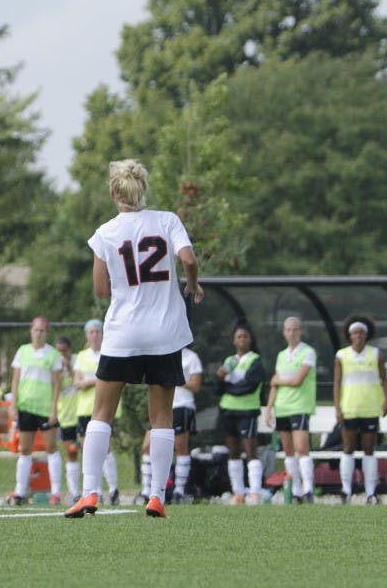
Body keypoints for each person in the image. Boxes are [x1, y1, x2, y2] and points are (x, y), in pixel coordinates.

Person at [66, 158, 203, 519]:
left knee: (101, 413)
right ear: (143, 190)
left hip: (123, 332)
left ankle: (90, 493)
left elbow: (99, 290)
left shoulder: (106, 232)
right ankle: (157, 496)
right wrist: (192, 284)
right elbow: (188, 258)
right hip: (164, 333)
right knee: (160, 417)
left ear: (114, 192)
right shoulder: (167, 220)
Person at [333, 314, 387, 505]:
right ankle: (346, 490)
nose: (358, 336)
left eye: (361, 333)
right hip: (349, 407)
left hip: (370, 407)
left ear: (366, 335)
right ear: (350, 336)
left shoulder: (375, 354)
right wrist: (337, 407)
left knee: (368, 449)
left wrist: (386, 400)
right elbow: (337, 382)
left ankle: (370, 492)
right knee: (348, 448)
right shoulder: (342, 355)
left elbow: (384, 379)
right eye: (354, 333)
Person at [8, 316, 62, 505]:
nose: (38, 334)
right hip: (26, 407)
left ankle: (55, 492)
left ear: (46, 333)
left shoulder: (53, 355)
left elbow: (57, 384)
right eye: (35, 330)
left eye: (42, 330)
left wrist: (54, 409)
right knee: (24, 449)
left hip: (45, 408)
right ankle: (20, 491)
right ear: (31, 331)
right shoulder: (22, 351)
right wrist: (13, 404)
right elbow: (15, 379)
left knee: (50, 447)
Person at [139, 345, 203, 503]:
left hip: (182, 405)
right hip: (160, 406)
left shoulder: (191, 357)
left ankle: (179, 491)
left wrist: (175, 377)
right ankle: (146, 491)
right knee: (147, 446)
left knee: (181, 448)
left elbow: (195, 385)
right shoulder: (161, 352)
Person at [264, 316, 317, 504]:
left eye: (295, 329)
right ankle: (296, 490)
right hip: (282, 407)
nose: (291, 333)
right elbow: (274, 386)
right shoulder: (281, 355)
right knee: (288, 450)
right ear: (284, 332)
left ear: (300, 331)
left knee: (302, 448)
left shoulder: (308, 352)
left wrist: (278, 380)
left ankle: (309, 489)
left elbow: (297, 380)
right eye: (288, 329)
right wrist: (269, 409)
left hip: (300, 406)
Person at [214, 321, 265, 505]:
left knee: (250, 450)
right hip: (228, 410)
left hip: (247, 410)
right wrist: (219, 378)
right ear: (233, 341)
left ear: (250, 340)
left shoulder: (255, 360)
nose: (242, 339)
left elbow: (250, 386)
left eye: (245, 336)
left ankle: (255, 493)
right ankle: (238, 493)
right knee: (233, 451)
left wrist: (229, 387)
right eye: (238, 337)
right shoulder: (229, 361)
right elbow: (218, 389)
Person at [73, 319, 121, 504]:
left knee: (105, 448)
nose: (94, 335)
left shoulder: (108, 353)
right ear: (87, 335)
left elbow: (109, 378)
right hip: (85, 408)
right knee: (88, 449)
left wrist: (89, 381)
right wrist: (93, 381)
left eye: (97, 331)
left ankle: (114, 488)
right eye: (91, 332)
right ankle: (96, 490)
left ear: (102, 334)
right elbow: (78, 382)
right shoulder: (81, 356)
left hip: (105, 406)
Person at [54, 335, 81, 503]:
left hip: (81, 410)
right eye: (59, 352)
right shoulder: (54, 364)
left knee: (88, 450)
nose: (61, 355)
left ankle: (92, 489)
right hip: (65, 414)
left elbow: (78, 379)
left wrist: (68, 366)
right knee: (71, 452)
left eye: (64, 351)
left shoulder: (77, 360)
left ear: (70, 349)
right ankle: (73, 491)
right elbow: (53, 386)